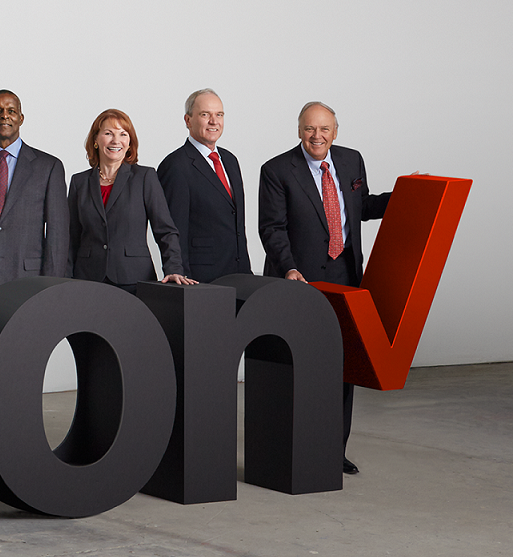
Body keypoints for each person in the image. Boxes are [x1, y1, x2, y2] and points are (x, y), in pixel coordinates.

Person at [256, 102, 393, 476]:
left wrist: (405, 195)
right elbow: (272, 228)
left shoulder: (351, 161)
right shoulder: (277, 170)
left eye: (324, 129)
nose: (317, 136)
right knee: (299, 365)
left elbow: (360, 206)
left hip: (346, 278)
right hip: (300, 280)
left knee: (343, 366)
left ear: (336, 131)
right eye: (309, 129)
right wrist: (290, 268)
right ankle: (298, 448)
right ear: (299, 130)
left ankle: (335, 449)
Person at [66, 109, 195, 292]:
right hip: (87, 279)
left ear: (129, 143)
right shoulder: (79, 182)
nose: (115, 140)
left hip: (133, 279)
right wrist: (65, 280)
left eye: (123, 134)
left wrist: (173, 268)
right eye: (108, 133)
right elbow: (71, 237)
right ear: (96, 140)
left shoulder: (144, 177)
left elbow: (165, 230)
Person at [0, 89, 71, 299]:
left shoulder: (48, 167)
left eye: (11, 111)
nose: (4, 115)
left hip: (30, 283)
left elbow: (57, 235)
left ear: (21, 118)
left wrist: (51, 288)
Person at [158, 88, 252, 282]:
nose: (214, 121)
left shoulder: (230, 160)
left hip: (239, 273)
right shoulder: (175, 165)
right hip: (200, 279)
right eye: (205, 114)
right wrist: (182, 275)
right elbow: (174, 230)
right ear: (188, 120)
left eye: (219, 114)